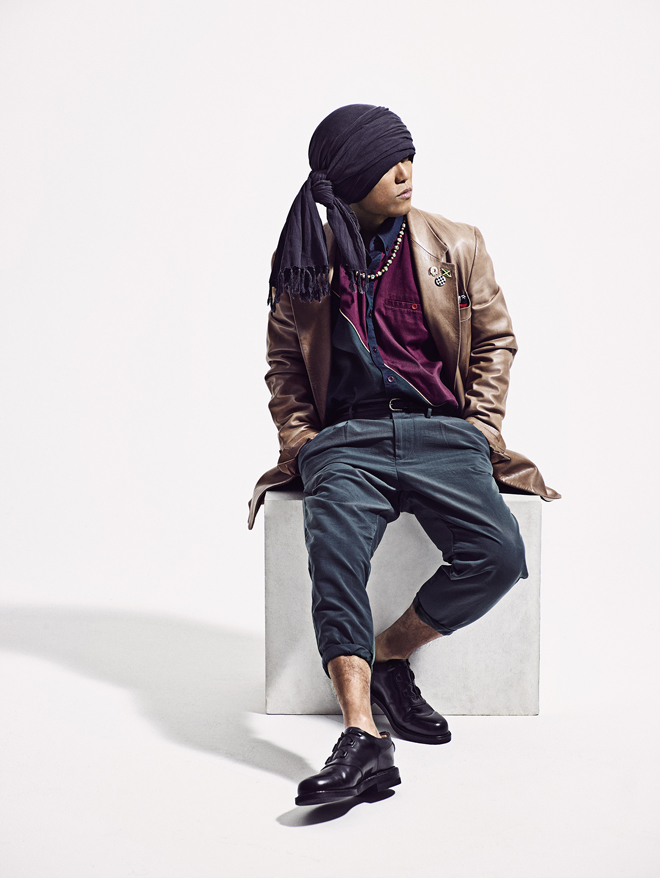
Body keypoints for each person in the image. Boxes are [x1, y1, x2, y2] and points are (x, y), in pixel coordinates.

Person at [248, 104, 559, 807]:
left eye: (408, 157)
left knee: (500, 554)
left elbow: (495, 340)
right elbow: (284, 365)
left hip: (442, 433)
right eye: (385, 163)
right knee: (333, 557)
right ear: (348, 178)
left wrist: (481, 429)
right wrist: (301, 442)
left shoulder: (456, 243)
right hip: (346, 442)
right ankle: (362, 736)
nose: (404, 172)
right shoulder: (306, 260)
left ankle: (391, 653)